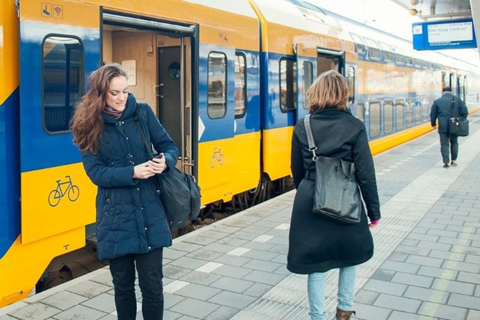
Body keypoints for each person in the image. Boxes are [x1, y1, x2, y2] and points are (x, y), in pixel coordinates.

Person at [71, 63, 178, 320]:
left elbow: (169, 145)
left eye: (125, 91)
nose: (122, 98)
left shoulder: (142, 113)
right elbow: (95, 173)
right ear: (100, 94)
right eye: (115, 93)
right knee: (123, 288)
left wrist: (165, 161)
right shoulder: (89, 125)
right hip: (115, 218)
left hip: (149, 213)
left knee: (153, 287)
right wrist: (133, 172)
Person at [287, 70, 381, 320]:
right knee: (349, 256)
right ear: (343, 95)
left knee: (316, 264)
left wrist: (310, 191)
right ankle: (344, 310)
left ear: (315, 94)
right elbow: (365, 174)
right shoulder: (355, 126)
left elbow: (296, 169)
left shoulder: (303, 125)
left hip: (310, 201)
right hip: (346, 200)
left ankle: (317, 316)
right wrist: (374, 213)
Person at [430, 86, 468, 168]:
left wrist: (433, 124)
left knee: (444, 144)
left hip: (443, 126)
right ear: (451, 91)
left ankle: (446, 163)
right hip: (454, 125)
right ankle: (454, 161)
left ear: (442, 92)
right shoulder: (458, 100)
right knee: (454, 142)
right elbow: (465, 112)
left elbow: (433, 115)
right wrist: (461, 119)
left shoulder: (437, 101)